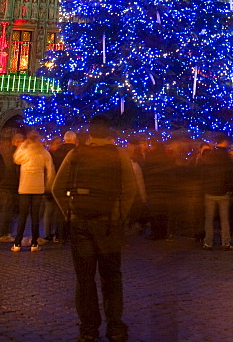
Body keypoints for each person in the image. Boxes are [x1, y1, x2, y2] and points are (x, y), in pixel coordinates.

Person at [52, 115, 137, 342]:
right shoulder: (119, 155)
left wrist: (70, 213)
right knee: (111, 277)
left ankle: (88, 330)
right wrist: (120, 215)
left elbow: (57, 188)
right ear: (109, 134)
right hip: (108, 223)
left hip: (80, 223)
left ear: (89, 134)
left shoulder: (75, 154)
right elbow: (130, 190)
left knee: (85, 278)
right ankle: (115, 328)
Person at [12, 131, 55, 252]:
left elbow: (16, 159)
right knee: (35, 216)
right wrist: (48, 184)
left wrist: (23, 146)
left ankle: (17, 243)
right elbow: (50, 169)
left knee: (23, 216)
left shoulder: (24, 150)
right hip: (38, 188)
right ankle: (34, 243)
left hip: (24, 187)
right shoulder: (44, 152)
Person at [199, 133, 233, 250]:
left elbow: (203, 173)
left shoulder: (209, 155)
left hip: (209, 191)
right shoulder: (226, 157)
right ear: (224, 142)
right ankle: (225, 242)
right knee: (224, 219)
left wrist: (205, 187)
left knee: (209, 219)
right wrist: (229, 188)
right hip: (223, 192)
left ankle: (208, 242)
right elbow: (230, 175)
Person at [0, 132, 24, 242]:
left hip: (5, 184)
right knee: (8, 210)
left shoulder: (7, 152)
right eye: (21, 142)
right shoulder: (16, 153)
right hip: (11, 185)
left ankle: (5, 232)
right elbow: (16, 171)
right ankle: (3, 234)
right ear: (16, 142)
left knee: (8, 210)